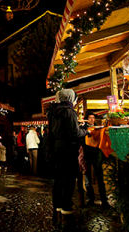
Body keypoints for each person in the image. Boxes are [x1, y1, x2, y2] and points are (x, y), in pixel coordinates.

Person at [47, 89, 88, 229]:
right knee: (69, 181)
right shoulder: (69, 112)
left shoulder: (53, 112)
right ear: (70, 98)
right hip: (68, 151)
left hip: (56, 151)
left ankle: (57, 213)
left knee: (58, 182)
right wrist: (86, 130)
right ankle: (66, 215)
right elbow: (75, 133)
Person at [83, 113, 109, 208]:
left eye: (93, 118)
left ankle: (104, 200)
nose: (92, 119)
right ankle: (90, 200)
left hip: (97, 153)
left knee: (100, 177)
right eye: (90, 118)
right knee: (87, 179)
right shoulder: (83, 128)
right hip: (87, 155)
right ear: (86, 119)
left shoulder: (99, 128)